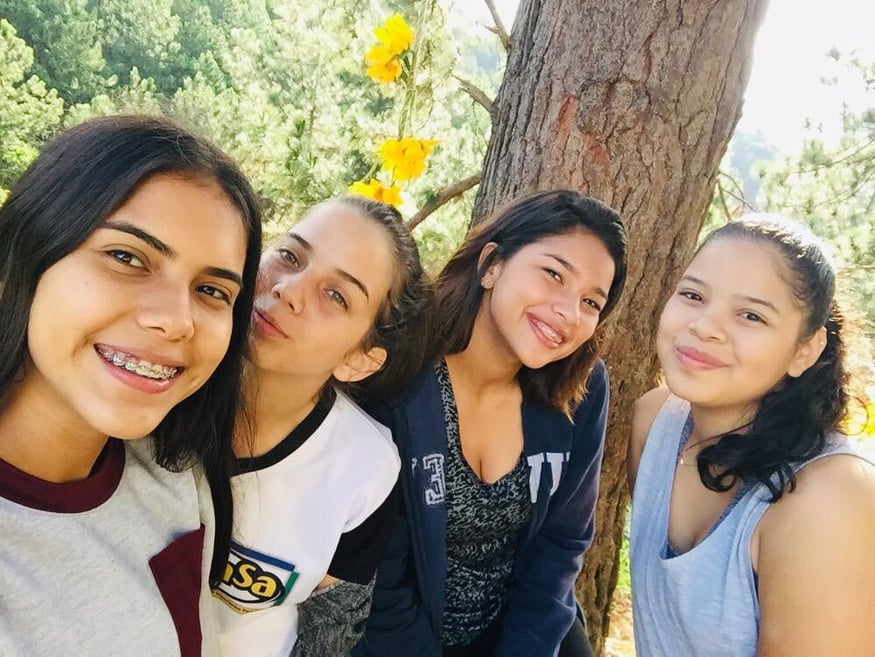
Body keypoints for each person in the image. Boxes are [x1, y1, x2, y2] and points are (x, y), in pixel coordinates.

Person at [0, 115, 263, 656]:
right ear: (18, 258)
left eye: (212, 290)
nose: (177, 321)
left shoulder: (174, 475)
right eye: (126, 257)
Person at [354, 190, 629, 657]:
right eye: (554, 274)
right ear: (491, 265)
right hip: (396, 638)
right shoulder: (400, 368)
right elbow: (379, 572)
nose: (568, 312)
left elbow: (560, 544)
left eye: (590, 302)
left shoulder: (581, 387)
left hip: (525, 633)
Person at [627, 215, 875, 656]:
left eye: (751, 315)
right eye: (693, 295)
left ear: (805, 350)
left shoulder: (829, 499)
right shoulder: (655, 423)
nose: (705, 326)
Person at [211, 196, 432, 657]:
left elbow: (330, 628)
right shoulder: (153, 384)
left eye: (337, 296)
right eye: (290, 256)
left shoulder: (365, 471)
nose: (288, 289)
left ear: (360, 360)